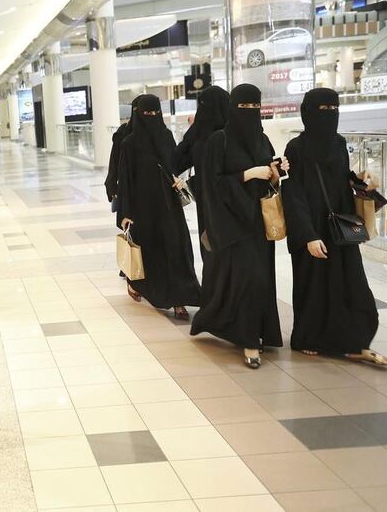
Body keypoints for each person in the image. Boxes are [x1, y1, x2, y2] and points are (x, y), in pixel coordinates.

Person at [282, 88, 387, 365]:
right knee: (313, 287)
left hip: (340, 228)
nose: (330, 116)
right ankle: (308, 338)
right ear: (307, 112)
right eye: (323, 110)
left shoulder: (339, 143)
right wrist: (307, 235)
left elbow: (342, 179)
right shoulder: (296, 148)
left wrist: (362, 181)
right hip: (313, 229)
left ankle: (352, 340)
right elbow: (293, 195)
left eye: (334, 109)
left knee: (351, 284)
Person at [190, 84, 288, 368]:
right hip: (231, 223)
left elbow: (270, 181)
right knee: (247, 279)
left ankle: (257, 332)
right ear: (233, 108)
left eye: (254, 107)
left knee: (260, 279)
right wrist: (245, 175)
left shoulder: (263, 140)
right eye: (243, 107)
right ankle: (248, 341)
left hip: (258, 222)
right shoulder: (217, 141)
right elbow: (210, 185)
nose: (250, 113)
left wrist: (274, 172)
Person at [118, 94, 201, 320]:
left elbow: (173, 162)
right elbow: (125, 179)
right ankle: (142, 286)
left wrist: (178, 178)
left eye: (156, 113)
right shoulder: (129, 143)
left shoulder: (166, 136)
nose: (152, 117)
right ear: (138, 114)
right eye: (147, 114)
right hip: (143, 208)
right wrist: (125, 213)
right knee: (151, 251)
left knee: (177, 247)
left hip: (168, 203)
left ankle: (180, 299)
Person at [173, 85, 230, 258]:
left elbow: (177, 159)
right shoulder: (232, 130)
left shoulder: (198, 131)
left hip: (206, 196)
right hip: (232, 195)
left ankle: (213, 279)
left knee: (209, 242)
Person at [104, 95, 143, 205]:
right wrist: (111, 184)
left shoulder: (161, 134)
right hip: (128, 187)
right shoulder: (123, 133)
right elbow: (114, 160)